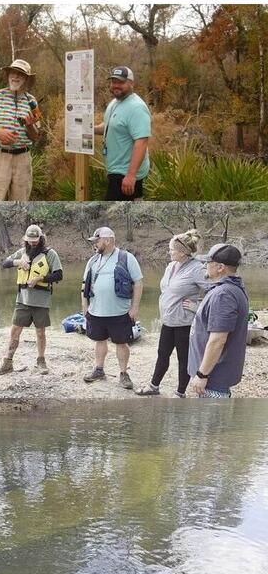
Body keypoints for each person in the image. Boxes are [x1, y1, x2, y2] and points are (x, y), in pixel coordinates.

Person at [136, 231, 206, 397]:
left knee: (184, 359)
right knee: (162, 354)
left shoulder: (197, 269)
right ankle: (154, 387)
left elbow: (216, 291)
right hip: (168, 321)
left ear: (183, 252)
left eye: (172, 250)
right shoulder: (170, 266)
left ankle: (180, 393)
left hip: (185, 323)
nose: (169, 252)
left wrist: (198, 305)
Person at [81, 227, 144, 389]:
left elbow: (138, 282)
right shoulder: (93, 260)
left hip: (120, 312)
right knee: (99, 340)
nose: (95, 244)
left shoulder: (126, 257)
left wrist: (134, 308)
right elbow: (84, 286)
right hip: (96, 311)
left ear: (107, 240)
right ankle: (99, 369)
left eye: (97, 241)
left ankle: (123, 374)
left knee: (121, 343)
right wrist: (85, 307)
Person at [0, 225, 63, 375]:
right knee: (15, 331)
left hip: (41, 301)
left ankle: (41, 361)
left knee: (40, 332)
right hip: (22, 300)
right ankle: (7, 363)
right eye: (30, 240)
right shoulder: (22, 253)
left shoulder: (50, 254)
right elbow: (5, 263)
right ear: (26, 239)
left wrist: (40, 278)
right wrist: (18, 262)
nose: (33, 243)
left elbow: (59, 275)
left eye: (36, 240)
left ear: (41, 238)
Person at [188, 243, 250, 398]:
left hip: (213, 380)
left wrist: (202, 375)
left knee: (210, 422)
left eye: (208, 263)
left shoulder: (224, 295)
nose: (205, 266)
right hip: (214, 377)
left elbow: (218, 340)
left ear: (220, 267)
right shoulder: (231, 288)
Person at [0, 59, 41, 201]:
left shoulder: (32, 102)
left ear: (26, 79)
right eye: (13, 72)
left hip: (23, 160)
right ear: (8, 75)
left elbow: (36, 137)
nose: (16, 77)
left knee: (20, 204)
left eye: (21, 74)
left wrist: (30, 125)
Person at [95, 66, 151, 201]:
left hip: (125, 173)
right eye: (114, 82)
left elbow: (142, 142)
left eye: (121, 82)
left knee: (108, 217)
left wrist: (131, 175)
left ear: (131, 83)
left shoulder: (137, 107)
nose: (116, 86)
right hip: (115, 170)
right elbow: (110, 126)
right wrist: (89, 129)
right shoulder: (115, 102)